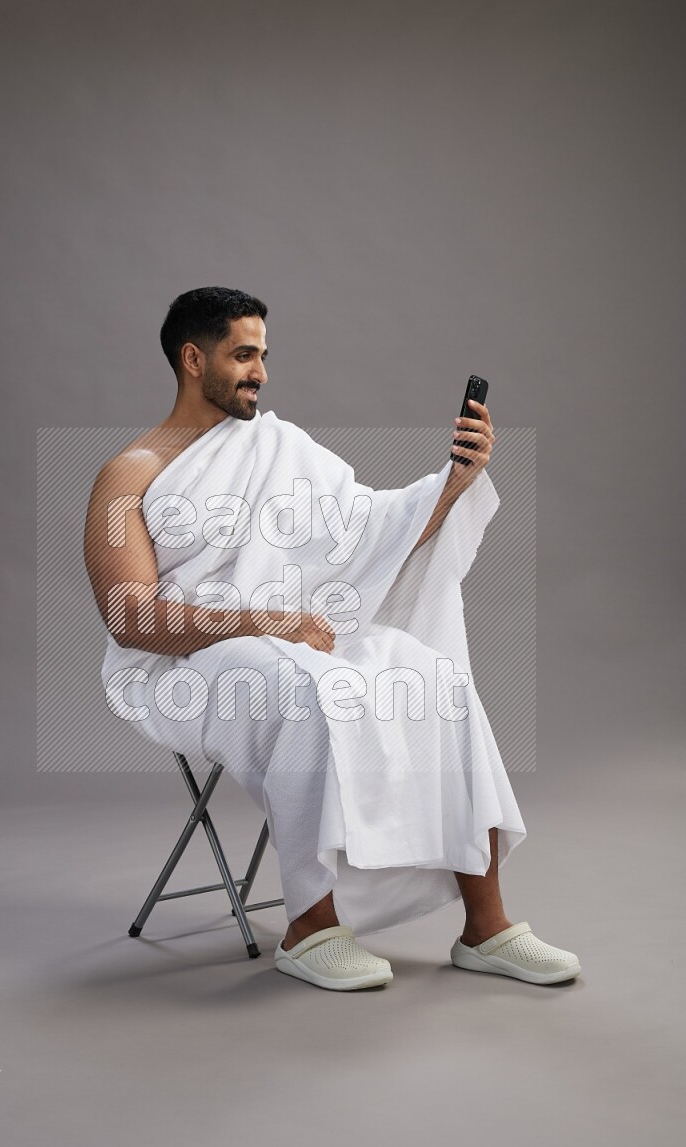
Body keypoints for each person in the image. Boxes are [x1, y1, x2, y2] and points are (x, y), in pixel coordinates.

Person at [83, 286, 581, 992]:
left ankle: (486, 926)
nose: (261, 371)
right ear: (193, 359)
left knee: (429, 673)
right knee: (293, 685)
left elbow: (372, 530)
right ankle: (310, 928)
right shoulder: (126, 476)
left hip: (296, 635)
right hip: (184, 664)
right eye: (244, 354)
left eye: (263, 355)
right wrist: (266, 622)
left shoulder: (277, 447)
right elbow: (132, 619)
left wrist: (454, 482)